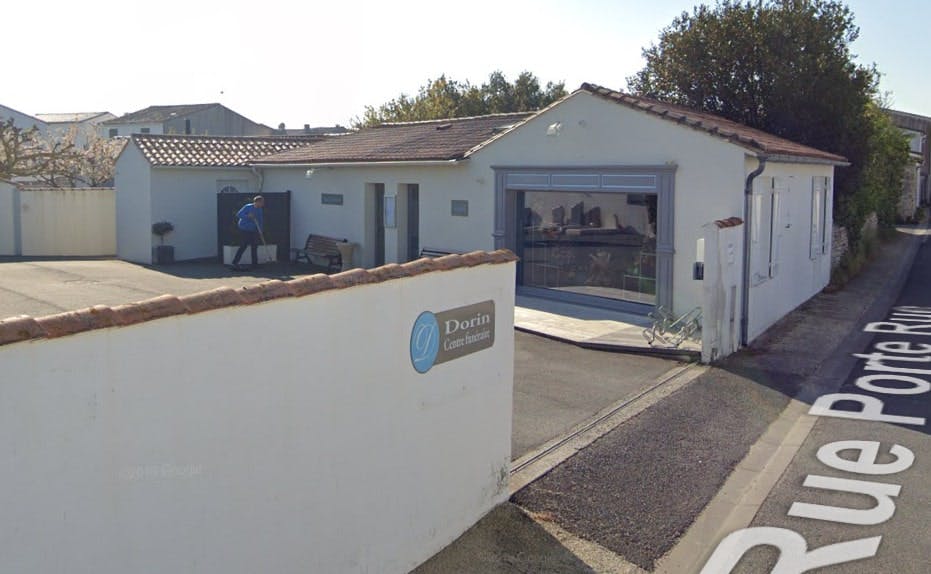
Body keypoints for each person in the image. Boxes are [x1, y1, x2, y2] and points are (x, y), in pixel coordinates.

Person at [230, 195, 265, 270]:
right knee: (244, 245)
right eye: (262, 202)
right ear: (257, 202)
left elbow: (260, 221)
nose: (263, 204)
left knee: (254, 246)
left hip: (253, 229)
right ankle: (234, 263)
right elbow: (238, 214)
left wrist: (260, 231)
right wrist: (247, 216)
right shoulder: (248, 207)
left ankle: (255, 264)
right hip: (244, 228)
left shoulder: (260, 210)